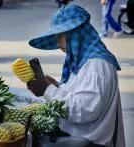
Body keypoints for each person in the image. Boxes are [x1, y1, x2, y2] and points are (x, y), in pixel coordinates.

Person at [27, 4, 125, 147]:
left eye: (59, 36)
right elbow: (80, 95)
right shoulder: (82, 62)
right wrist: (56, 86)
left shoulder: (96, 65)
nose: (57, 43)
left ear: (73, 34)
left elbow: (84, 110)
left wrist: (47, 90)